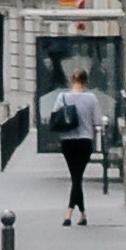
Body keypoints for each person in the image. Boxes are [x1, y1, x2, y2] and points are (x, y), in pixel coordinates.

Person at [40, 74, 100, 220]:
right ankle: (76, 212)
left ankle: (73, 212)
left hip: (68, 140)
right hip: (85, 140)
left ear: (72, 81)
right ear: (86, 81)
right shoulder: (92, 98)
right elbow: (97, 120)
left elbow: (55, 115)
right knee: (77, 177)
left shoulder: (62, 97)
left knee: (76, 177)